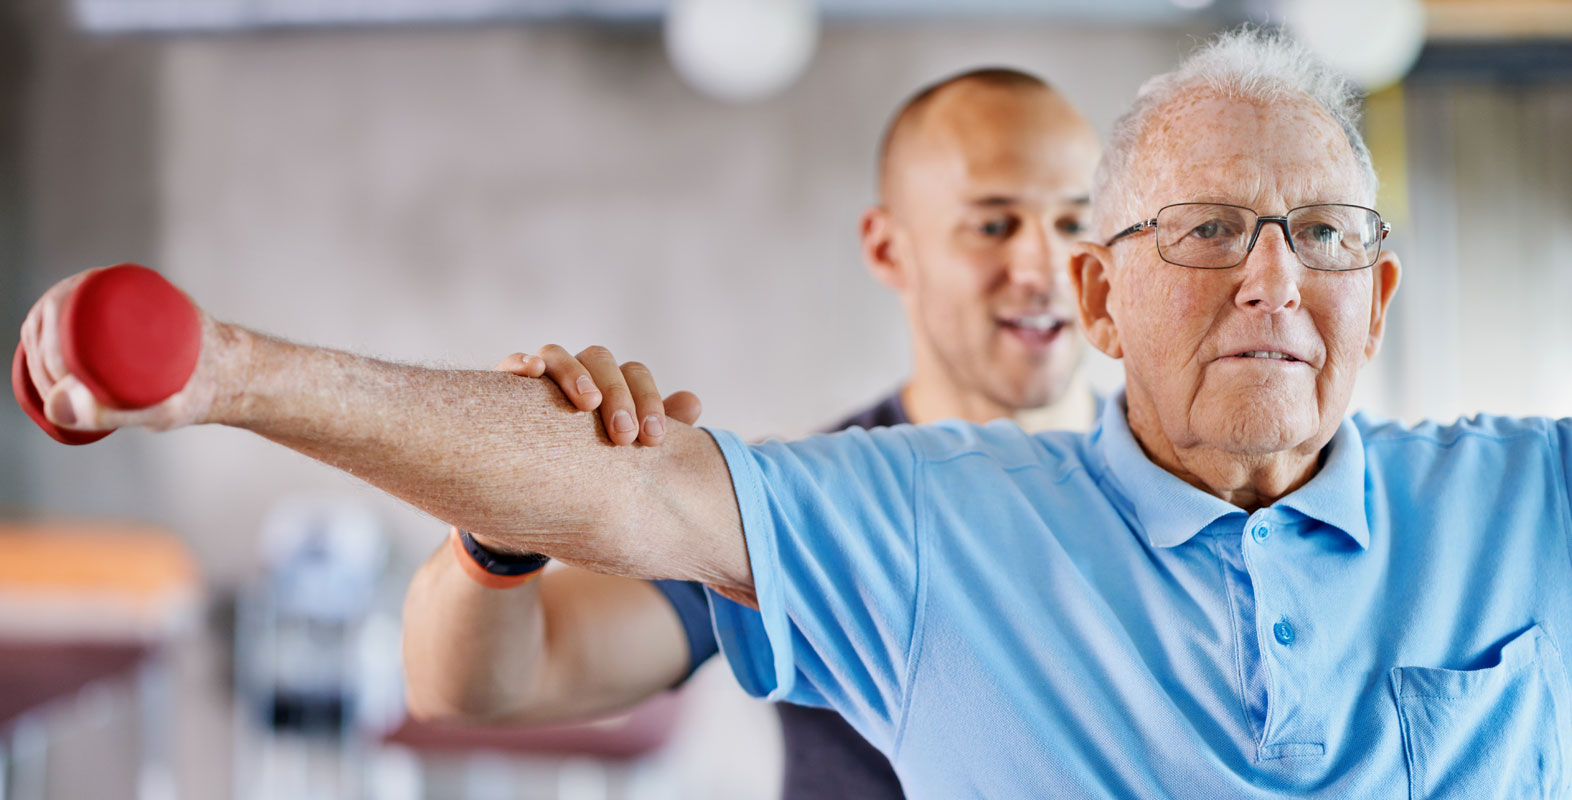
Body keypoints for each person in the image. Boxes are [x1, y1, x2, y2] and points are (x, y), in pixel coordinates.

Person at [18, 27, 1572, 797]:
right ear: (1108, 296)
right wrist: (226, 372)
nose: (1272, 281)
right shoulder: (898, 504)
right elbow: (586, 541)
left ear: (1380, 293)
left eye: (1324, 237)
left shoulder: (1516, 499)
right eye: (1213, 230)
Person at [398, 67, 1102, 800]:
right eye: (993, 225)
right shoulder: (797, 507)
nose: (1044, 266)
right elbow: (480, 686)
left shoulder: (1181, 485)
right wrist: (503, 528)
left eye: (1074, 222)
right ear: (889, 249)